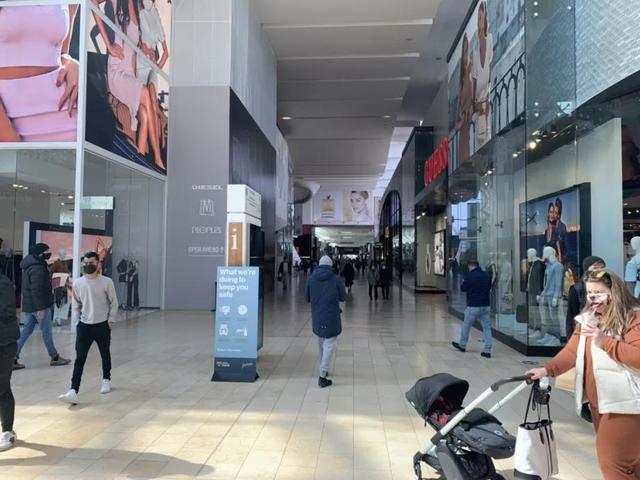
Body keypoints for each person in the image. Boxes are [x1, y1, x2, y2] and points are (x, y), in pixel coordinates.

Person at [527, 269, 640, 479]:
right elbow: (572, 351)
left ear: (614, 292)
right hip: (600, 403)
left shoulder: (632, 317)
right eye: (589, 293)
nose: (593, 298)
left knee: (613, 462)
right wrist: (548, 369)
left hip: (626, 404)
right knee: (630, 463)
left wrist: (604, 341)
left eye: (599, 292)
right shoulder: (588, 319)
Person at [91, 0, 165, 171]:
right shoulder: (117, 2)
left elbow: (136, 46)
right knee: (145, 93)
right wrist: (109, 45)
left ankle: (138, 161)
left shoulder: (138, 9)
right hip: (117, 71)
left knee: (145, 114)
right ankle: (158, 159)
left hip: (130, 73)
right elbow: (92, 2)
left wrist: (146, 51)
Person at [0, 4, 80, 142]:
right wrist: (6, 133)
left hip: (65, 114)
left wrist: (73, 65)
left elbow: (62, 53)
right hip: (8, 119)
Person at [59, 252, 118, 405]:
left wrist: (110, 320)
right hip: (84, 326)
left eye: (91, 262)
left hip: (102, 325)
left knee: (105, 353)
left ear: (98, 264)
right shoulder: (78, 283)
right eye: (85, 263)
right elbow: (76, 303)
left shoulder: (106, 282)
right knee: (80, 358)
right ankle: (73, 390)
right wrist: (77, 322)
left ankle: (106, 379)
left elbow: (114, 302)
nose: (88, 265)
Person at [14, 243, 70, 369]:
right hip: (40, 305)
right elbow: (37, 289)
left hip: (31, 305)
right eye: (46, 251)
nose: (49, 254)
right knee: (46, 332)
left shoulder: (31, 265)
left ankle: (12, 357)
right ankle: (54, 357)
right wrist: (40, 308)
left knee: (26, 331)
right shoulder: (38, 268)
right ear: (40, 253)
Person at [305, 256, 346, 388]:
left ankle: (323, 367)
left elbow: (307, 298)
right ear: (330, 265)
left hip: (317, 316)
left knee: (321, 342)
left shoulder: (311, 279)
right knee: (329, 345)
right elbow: (343, 297)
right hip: (331, 316)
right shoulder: (336, 279)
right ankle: (322, 376)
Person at [452, 260, 493, 358]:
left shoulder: (470, 276)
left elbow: (463, 288)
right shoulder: (486, 275)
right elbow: (489, 287)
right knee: (487, 328)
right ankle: (487, 351)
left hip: (473, 305)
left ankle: (462, 345)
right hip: (485, 305)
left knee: (466, 325)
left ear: (470, 266)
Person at [0, 273, 19, 451]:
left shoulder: (4, 284)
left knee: (2, 387)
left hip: (4, 344)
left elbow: (5, 312)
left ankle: (8, 431)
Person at [566, 256, 606, 338]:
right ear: (587, 270)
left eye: (602, 268)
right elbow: (571, 317)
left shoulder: (610, 286)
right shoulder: (576, 289)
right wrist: (570, 338)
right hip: (584, 331)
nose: (599, 271)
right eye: (595, 268)